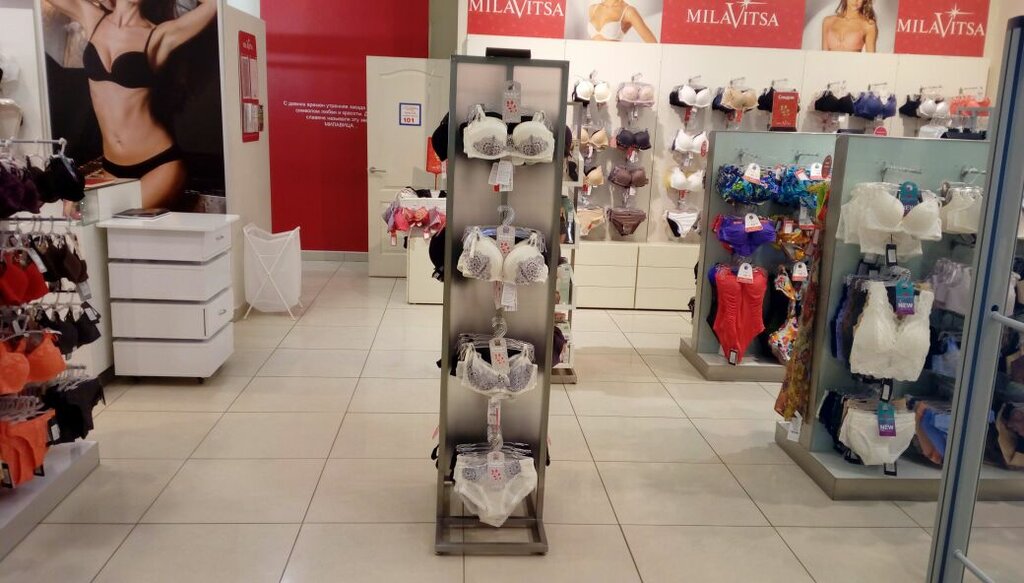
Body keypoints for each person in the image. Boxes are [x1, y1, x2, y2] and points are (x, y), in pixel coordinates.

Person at [45, 0, 216, 208]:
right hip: (111, 167)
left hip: (159, 165)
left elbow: (214, 5)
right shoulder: (92, 18)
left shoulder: (159, 35)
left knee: (108, 217)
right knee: (93, 221)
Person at [588, 0, 657, 43]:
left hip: (612, 60)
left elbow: (653, 44)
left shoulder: (628, 11)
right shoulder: (593, 8)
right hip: (591, 60)